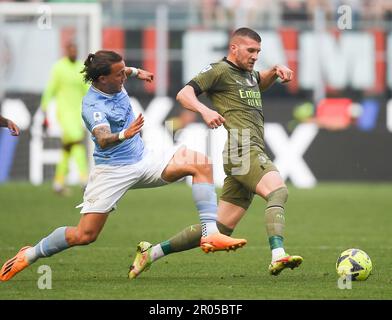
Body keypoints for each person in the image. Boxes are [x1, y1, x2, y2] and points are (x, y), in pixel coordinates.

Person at [0, 50, 247, 282]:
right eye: (118, 74)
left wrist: (139, 72)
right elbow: (104, 140)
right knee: (84, 235)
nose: (123, 76)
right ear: (102, 79)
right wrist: (124, 134)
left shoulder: (115, 76)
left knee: (200, 164)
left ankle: (210, 233)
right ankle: (29, 254)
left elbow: (125, 70)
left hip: (144, 159)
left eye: (123, 72)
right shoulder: (93, 106)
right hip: (112, 171)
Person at [129, 27, 303, 279]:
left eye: (258, 52)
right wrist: (205, 111)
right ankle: (278, 255)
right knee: (278, 190)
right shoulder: (218, 71)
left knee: (219, 228)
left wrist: (275, 71)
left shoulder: (248, 75)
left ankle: (151, 252)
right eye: (250, 50)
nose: (255, 56)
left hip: (247, 150)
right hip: (243, 147)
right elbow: (184, 94)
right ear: (234, 48)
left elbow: (257, 83)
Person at [40, 42, 89, 195]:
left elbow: (87, 90)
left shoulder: (81, 68)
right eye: (70, 50)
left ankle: (58, 183)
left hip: (77, 114)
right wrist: (44, 108)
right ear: (66, 51)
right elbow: (51, 89)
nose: (73, 52)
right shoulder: (59, 67)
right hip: (64, 113)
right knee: (78, 143)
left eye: (75, 50)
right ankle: (84, 179)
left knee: (67, 149)